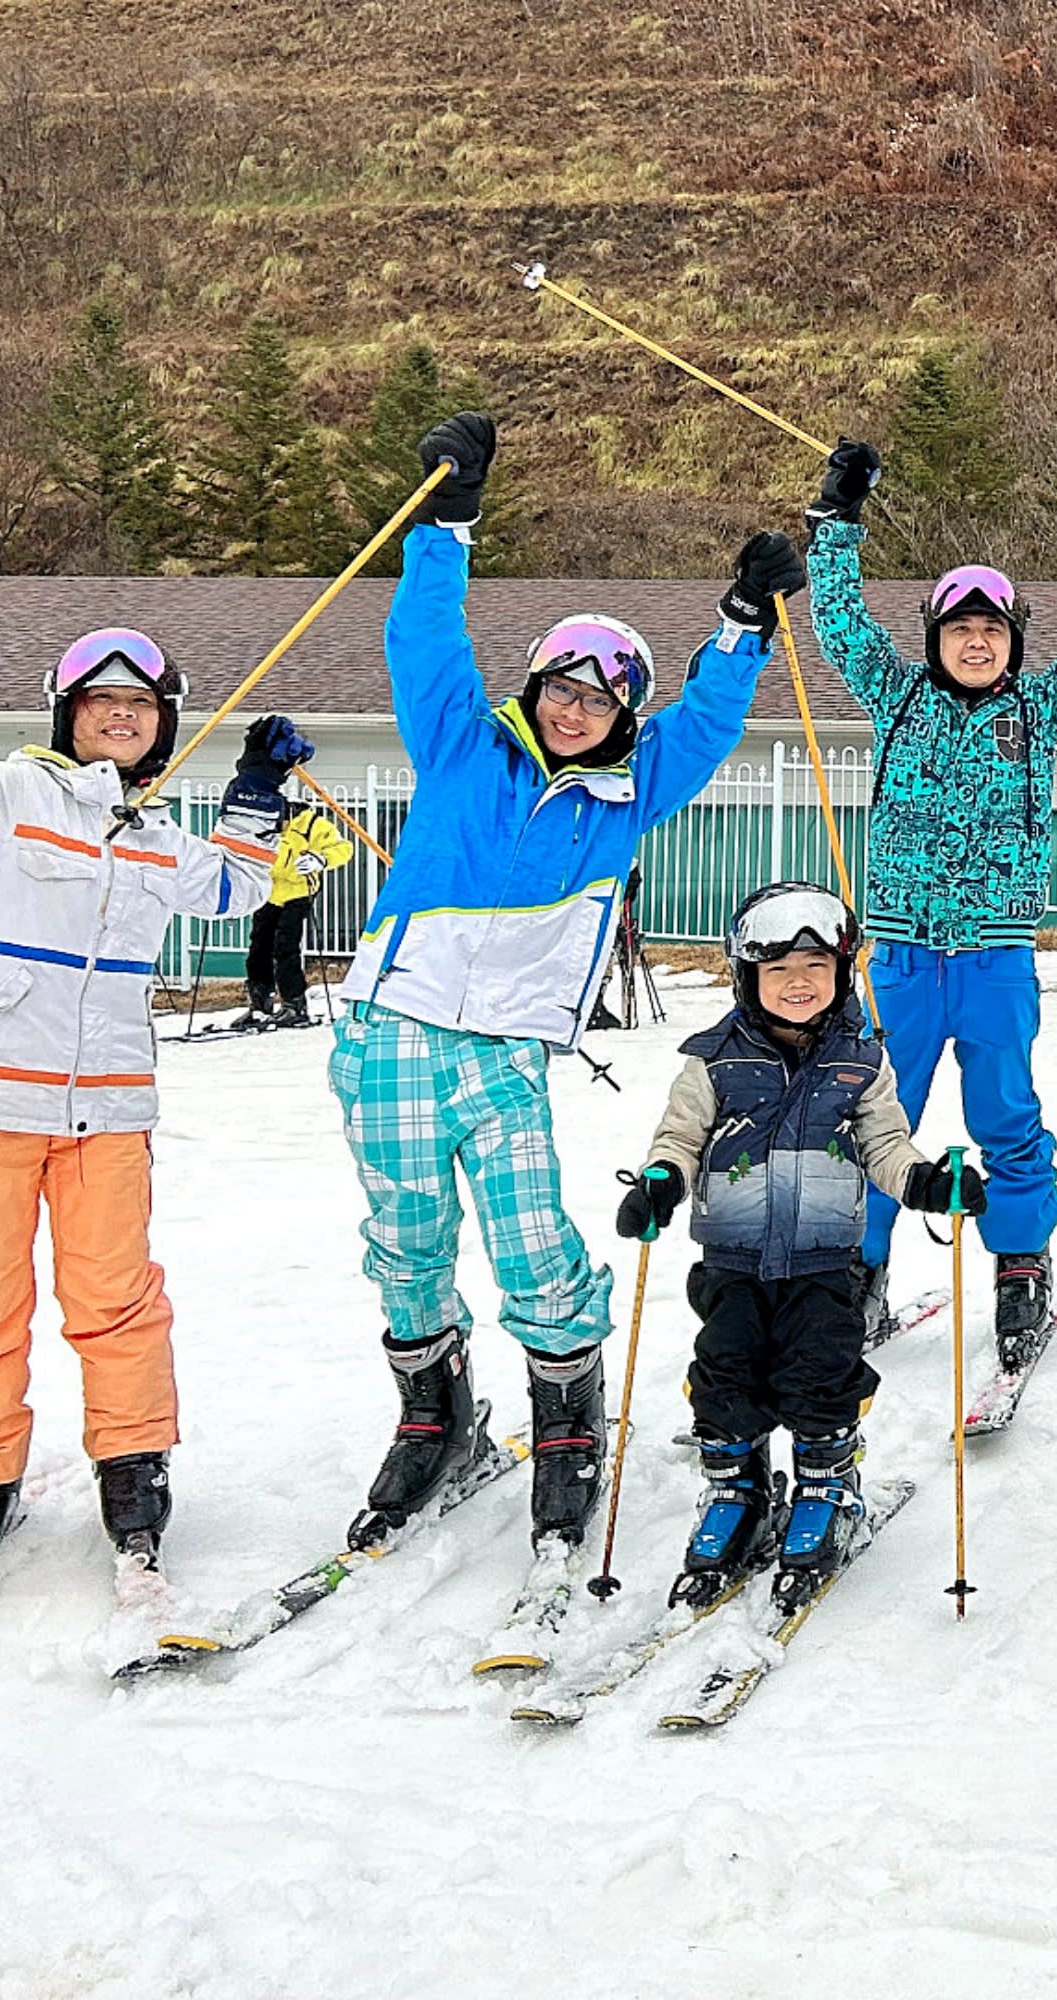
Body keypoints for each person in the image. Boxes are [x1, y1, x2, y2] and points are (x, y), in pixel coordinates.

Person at [333, 411, 790, 1561]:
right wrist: (449, 521)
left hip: (503, 1051)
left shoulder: (626, 796)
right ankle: (432, 1410)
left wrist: (741, 623)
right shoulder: (460, 747)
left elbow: (709, 723)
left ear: (622, 714)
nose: (575, 704)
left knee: (533, 1236)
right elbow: (425, 637)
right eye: (560, 683)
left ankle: (567, 1419)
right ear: (533, 686)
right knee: (407, 1234)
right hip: (389, 1029)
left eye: (601, 695)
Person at [0, 601, 290, 1586]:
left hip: (108, 1113)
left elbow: (230, 889)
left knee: (118, 1299)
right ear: (68, 714)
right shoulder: (5, 796)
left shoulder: (152, 831)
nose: (122, 715)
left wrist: (256, 797)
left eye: (141, 703)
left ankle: (134, 1470)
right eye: (102, 700)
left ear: (164, 722)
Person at [802, 438, 1057, 1361]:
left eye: (994, 630)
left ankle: (1020, 1262)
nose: (977, 641)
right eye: (961, 628)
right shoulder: (895, 701)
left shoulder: (1037, 710)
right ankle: (858, 1266)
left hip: (996, 957)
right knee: (875, 1115)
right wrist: (837, 520)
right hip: (899, 959)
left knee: (1006, 1112)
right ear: (935, 638)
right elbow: (840, 618)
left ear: (1012, 642)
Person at [615, 883, 984, 1607]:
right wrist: (660, 1182)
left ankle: (826, 1484)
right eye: (778, 970)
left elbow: (885, 1144)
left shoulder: (861, 1062)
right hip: (732, 1261)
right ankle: (737, 1491)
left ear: (843, 973)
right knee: (725, 1376)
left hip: (823, 1262)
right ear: (746, 977)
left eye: (815, 968)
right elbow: (680, 1137)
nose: (798, 984)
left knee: (821, 1375)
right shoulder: (712, 1062)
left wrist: (926, 1184)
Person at [239, 793, 354, 1029]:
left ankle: (294, 1004)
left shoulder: (313, 825)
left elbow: (344, 848)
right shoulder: (264, 824)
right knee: (258, 948)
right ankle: (260, 1004)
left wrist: (320, 859)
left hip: (298, 892)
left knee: (286, 947)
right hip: (269, 892)